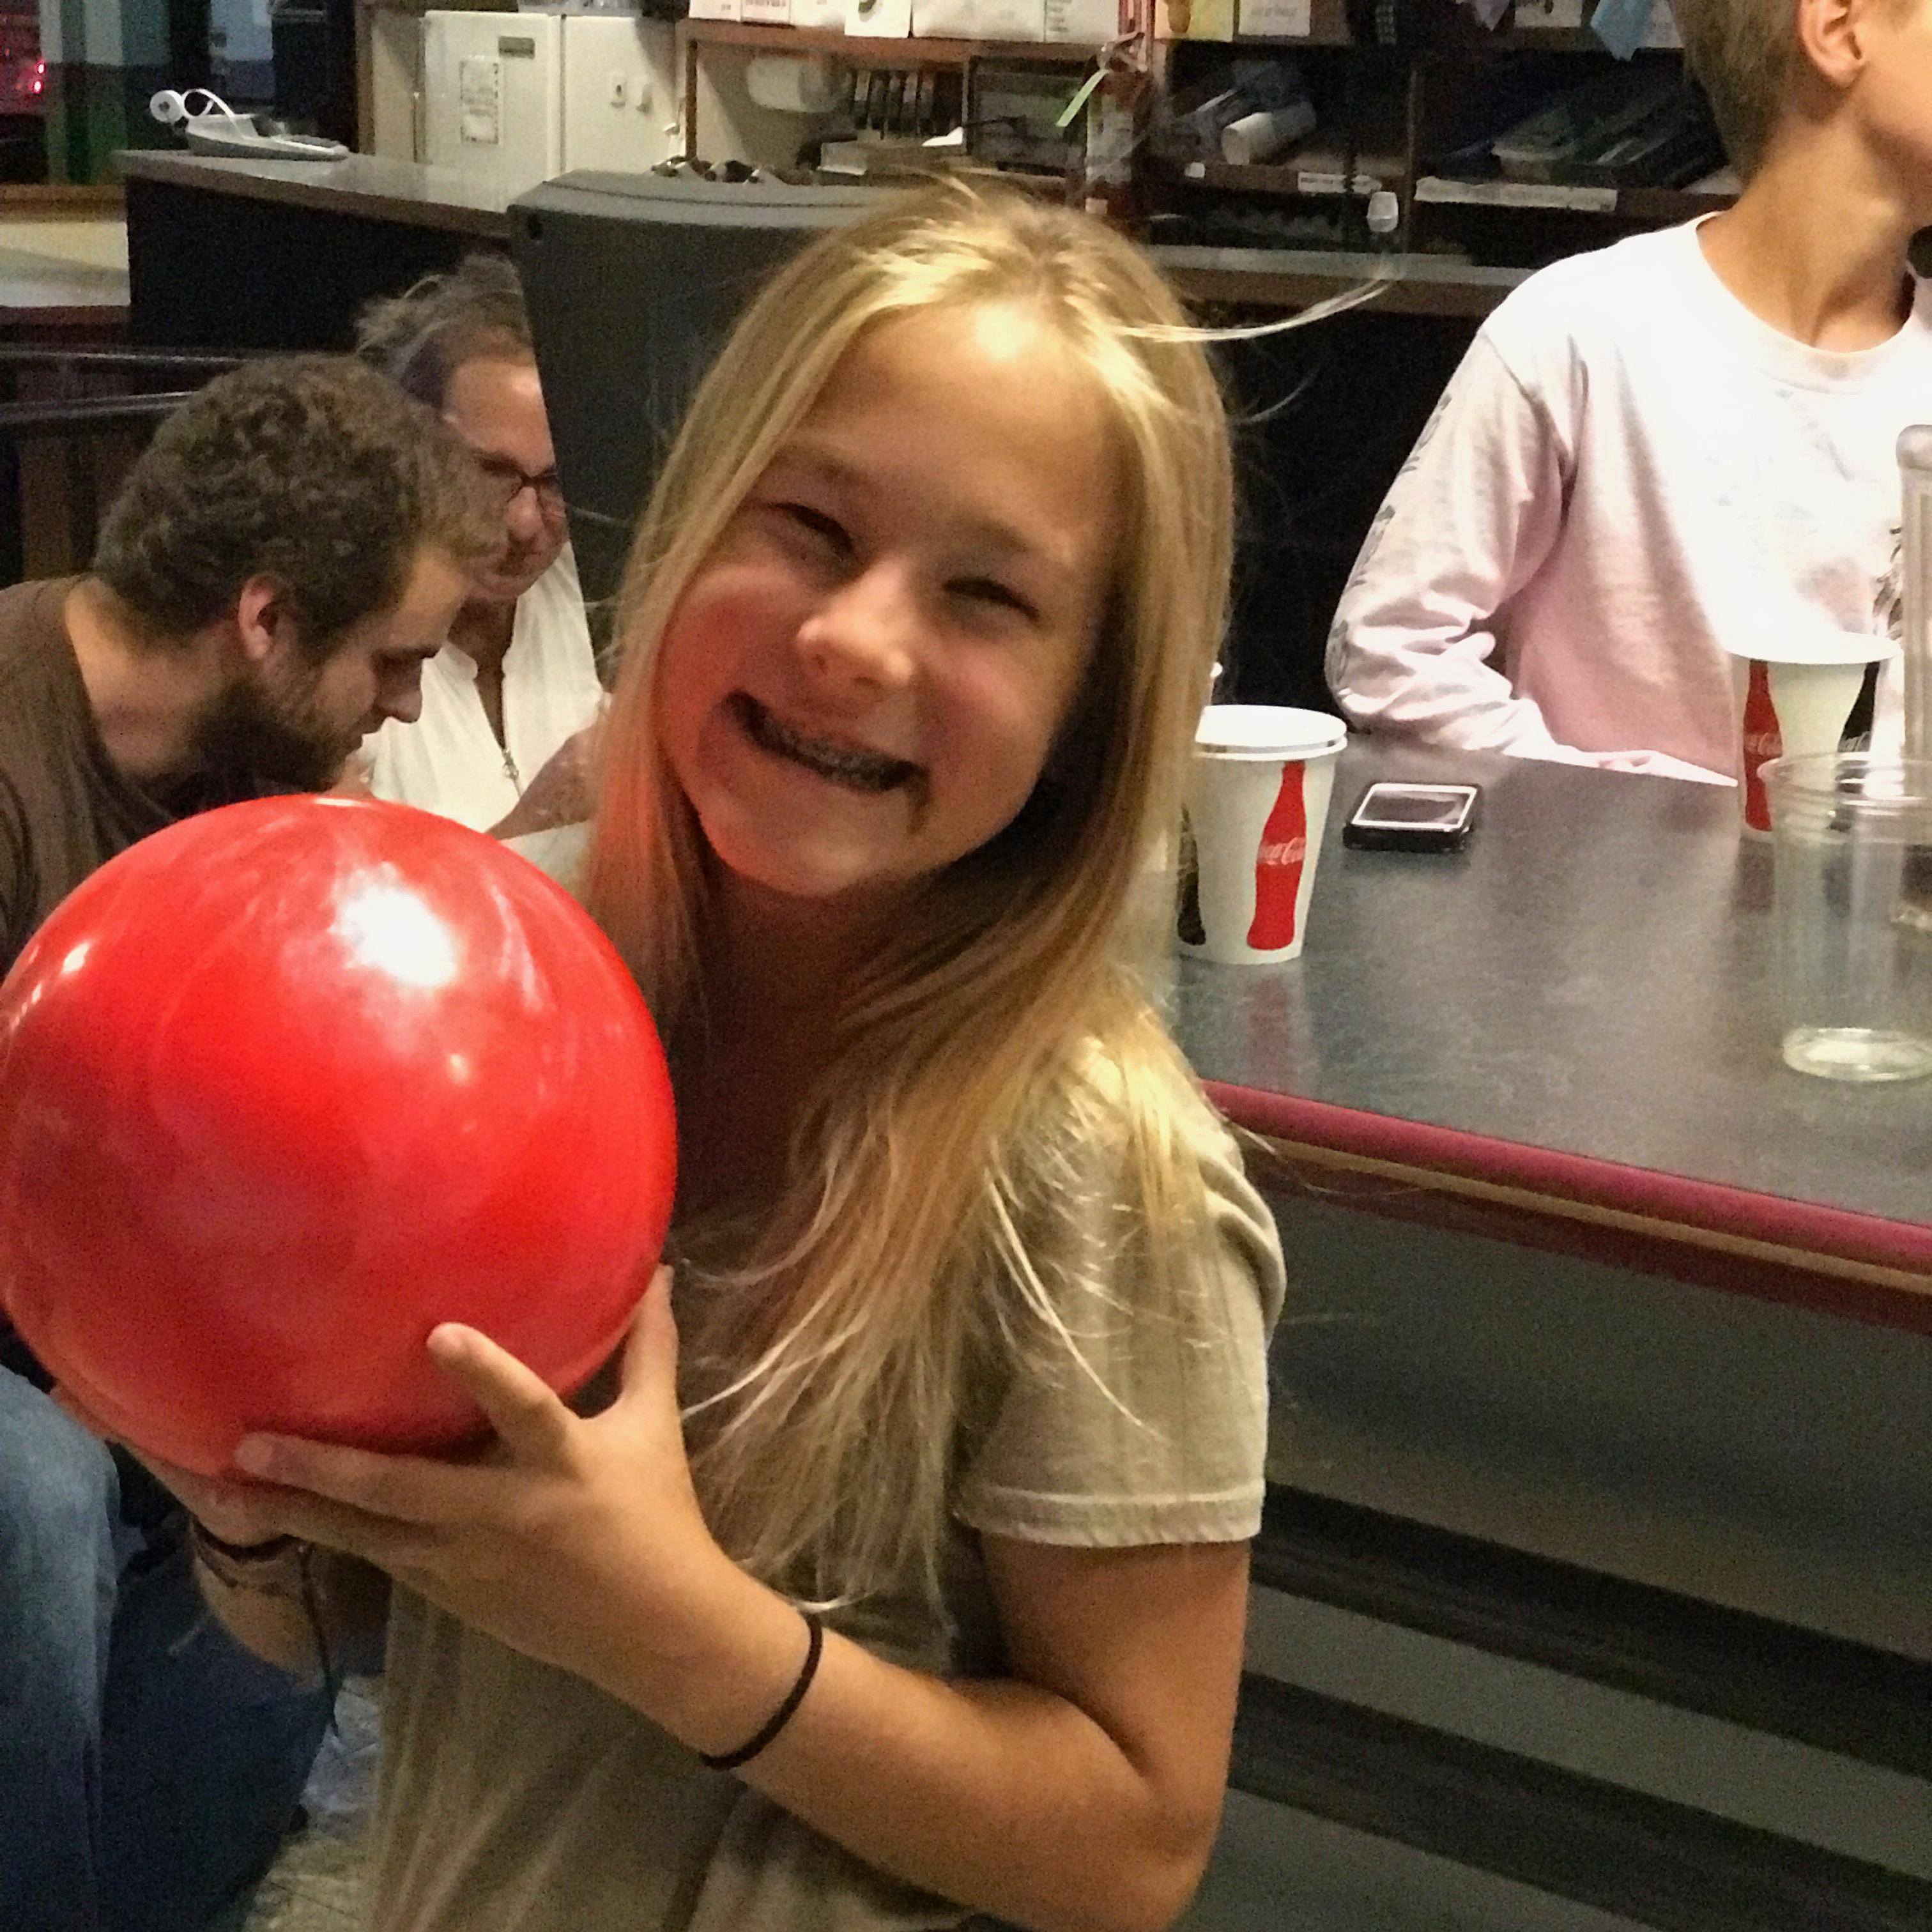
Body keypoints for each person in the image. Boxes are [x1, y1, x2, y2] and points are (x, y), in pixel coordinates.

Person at [116, 186, 1289, 1932]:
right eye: (809, 526)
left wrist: (668, 1625)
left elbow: (1130, 1842)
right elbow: (363, 1611)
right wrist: (238, 1491)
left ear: (1089, 717)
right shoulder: (483, 987)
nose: (855, 638)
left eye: (986, 595)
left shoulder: (1096, 1171)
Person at [0, 354, 497, 1932]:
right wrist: (118, 1371)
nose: (405, 705)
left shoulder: (252, 757)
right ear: (267, 620)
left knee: (344, 1426)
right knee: (35, 1496)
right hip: (25, 1321)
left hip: (99, 1285)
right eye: (393, 661)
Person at [1324, 0, 1932, 783]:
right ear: (1839, 29)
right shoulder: (1580, 334)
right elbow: (1390, 649)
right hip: (1604, 864)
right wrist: (1644, 806)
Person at [354, 254, 607, 838]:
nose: (524, 524)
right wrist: (538, 818)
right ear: (402, 450)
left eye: (556, 482)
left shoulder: (599, 589)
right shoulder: (337, 644)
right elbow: (345, 887)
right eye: (488, 472)